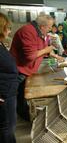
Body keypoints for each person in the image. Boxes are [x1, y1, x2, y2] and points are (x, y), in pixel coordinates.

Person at [10, 14, 62, 120]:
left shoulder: (40, 32)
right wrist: (47, 49)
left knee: (23, 95)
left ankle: (24, 112)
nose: (50, 30)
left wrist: (55, 55)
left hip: (28, 70)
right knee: (17, 95)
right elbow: (30, 56)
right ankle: (21, 116)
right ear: (42, 26)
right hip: (20, 70)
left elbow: (42, 47)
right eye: (49, 27)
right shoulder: (28, 31)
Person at [0, 12, 18, 143]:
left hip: (8, 93)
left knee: (9, 126)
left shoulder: (1, 44)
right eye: (8, 28)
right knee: (6, 128)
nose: (9, 31)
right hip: (4, 96)